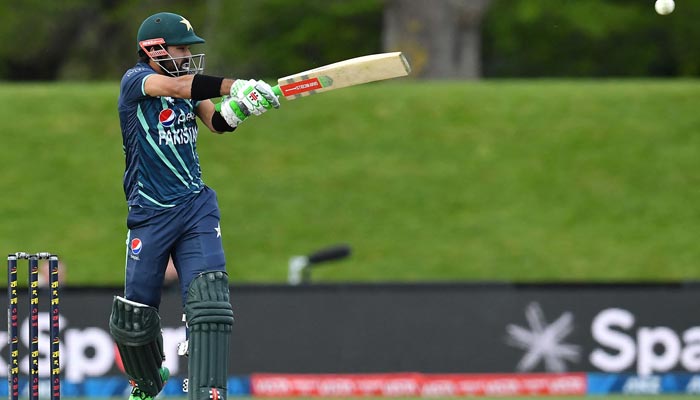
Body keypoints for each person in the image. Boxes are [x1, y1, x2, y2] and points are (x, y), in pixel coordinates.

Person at [108, 11, 280, 400]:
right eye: (182, 47)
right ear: (154, 49)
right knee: (135, 317)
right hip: (150, 211)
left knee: (209, 303)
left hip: (195, 206)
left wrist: (241, 109)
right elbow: (184, 87)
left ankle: (209, 392)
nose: (187, 54)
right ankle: (146, 381)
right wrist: (236, 84)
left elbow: (216, 123)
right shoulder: (137, 81)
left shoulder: (187, 87)